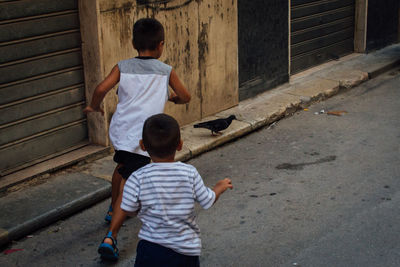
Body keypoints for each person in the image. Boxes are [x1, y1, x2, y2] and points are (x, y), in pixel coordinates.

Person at [83, 18, 191, 260]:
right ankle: (111, 237)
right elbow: (186, 96)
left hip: (121, 132)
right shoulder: (166, 71)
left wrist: (94, 107)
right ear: (161, 45)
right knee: (130, 183)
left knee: (122, 167)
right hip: (145, 137)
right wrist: (173, 98)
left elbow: (101, 88)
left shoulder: (122, 66)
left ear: (134, 43)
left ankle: (112, 209)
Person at [115, 113, 233, 265]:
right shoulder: (189, 173)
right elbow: (207, 201)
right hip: (185, 250)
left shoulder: (137, 177)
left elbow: (128, 209)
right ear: (180, 144)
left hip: (150, 250)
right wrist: (218, 188)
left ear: (142, 145)